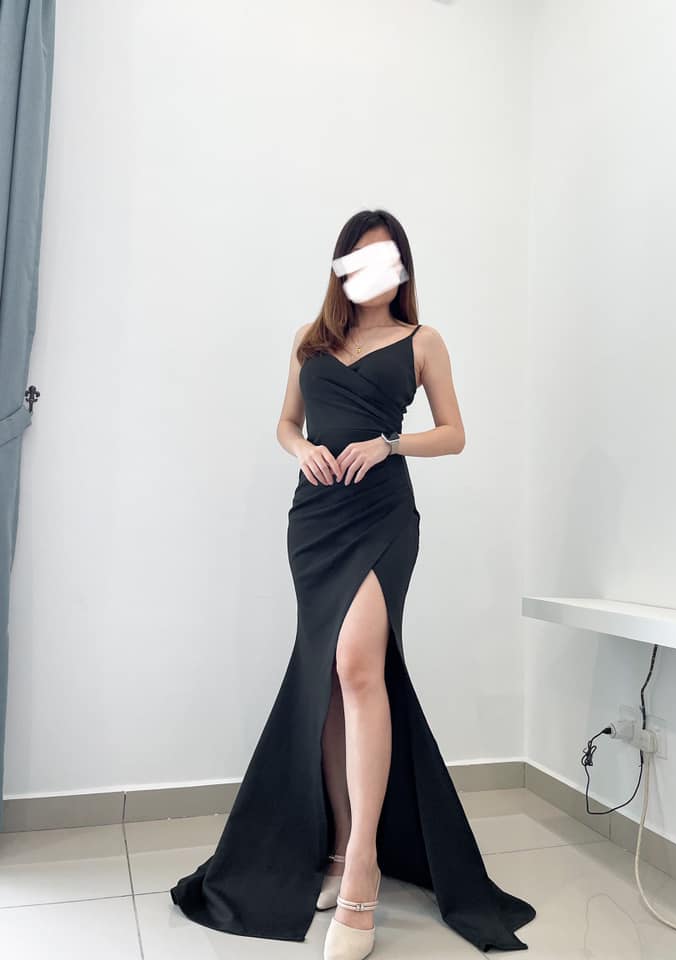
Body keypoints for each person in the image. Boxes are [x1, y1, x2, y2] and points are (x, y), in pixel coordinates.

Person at [170, 210, 536, 959]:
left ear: (402, 269)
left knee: (359, 667)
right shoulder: (311, 341)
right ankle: (339, 845)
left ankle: (363, 867)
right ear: (341, 268)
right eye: (360, 258)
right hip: (315, 522)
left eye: (388, 258)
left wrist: (389, 443)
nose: (375, 271)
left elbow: (455, 433)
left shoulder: (423, 341)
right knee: (334, 682)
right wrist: (300, 450)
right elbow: (286, 423)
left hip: (381, 518)